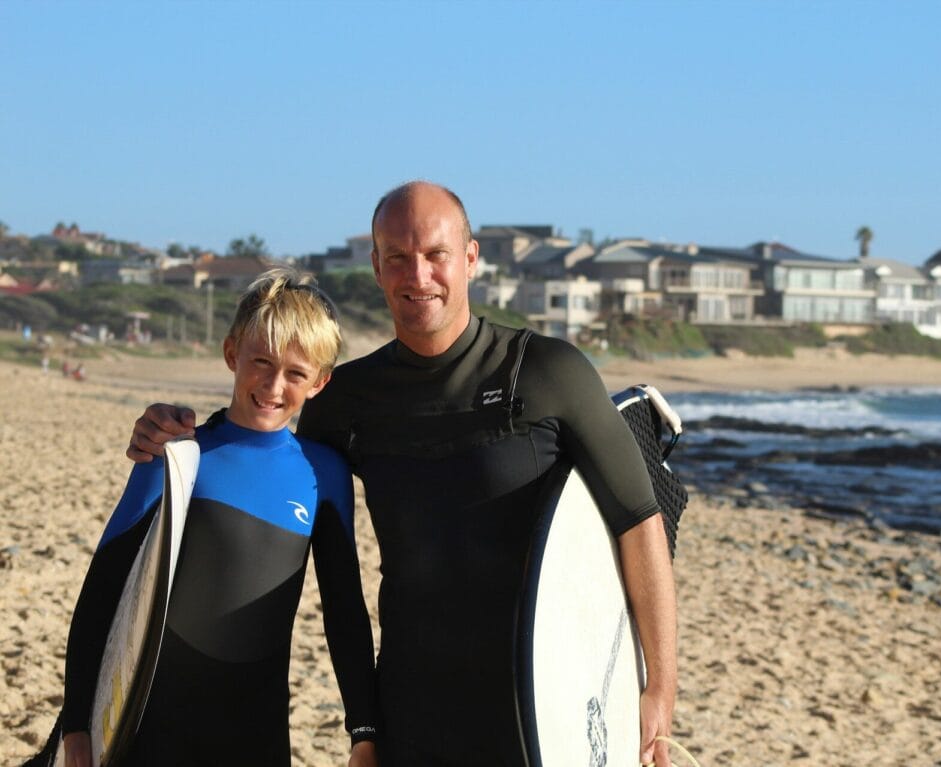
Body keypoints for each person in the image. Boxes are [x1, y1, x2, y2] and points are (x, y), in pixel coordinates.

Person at [128, 182, 678, 767]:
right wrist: (172, 434)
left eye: (435, 254)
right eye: (397, 257)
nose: (417, 275)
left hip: (542, 694)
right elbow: (265, 458)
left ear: (469, 258)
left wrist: (658, 690)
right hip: (413, 703)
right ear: (376, 267)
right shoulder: (346, 400)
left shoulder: (546, 370)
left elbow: (637, 519)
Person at [58, 269, 378, 767]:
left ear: (319, 381)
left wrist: (364, 730)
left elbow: (344, 611)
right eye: (261, 362)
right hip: (155, 723)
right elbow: (104, 584)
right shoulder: (177, 455)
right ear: (232, 354)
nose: (274, 385)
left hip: (257, 730)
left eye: (295, 373)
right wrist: (76, 721)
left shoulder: (324, 473)